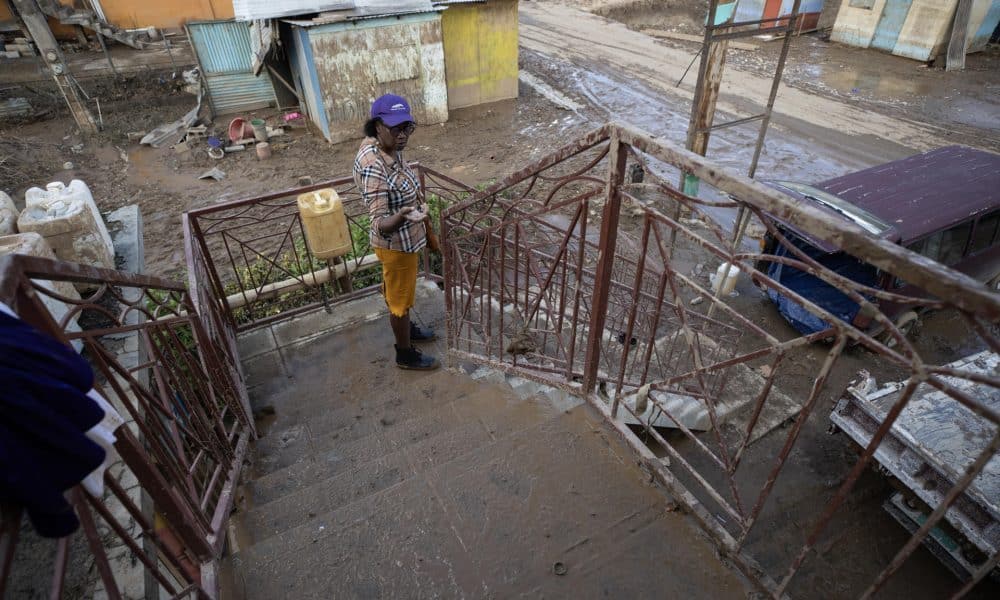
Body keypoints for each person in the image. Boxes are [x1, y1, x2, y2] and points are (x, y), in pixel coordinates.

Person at [354, 94, 440, 370]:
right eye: (395, 128)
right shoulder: (373, 166)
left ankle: (406, 327)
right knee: (399, 302)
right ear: (377, 126)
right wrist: (403, 216)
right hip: (396, 245)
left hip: (407, 240)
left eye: (407, 128)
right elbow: (379, 222)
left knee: (399, 292)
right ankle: (405, 353)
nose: (403, 135)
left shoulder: (386, 146)